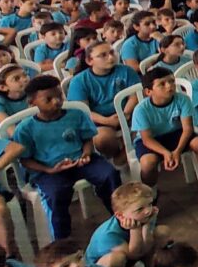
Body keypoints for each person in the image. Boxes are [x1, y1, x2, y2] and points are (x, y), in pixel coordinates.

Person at [15, 76, 122, 240]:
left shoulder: (76, 115)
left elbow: (87, 139)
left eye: (59, 96)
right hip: (48, 169)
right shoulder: (25, 128)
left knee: (109, 175)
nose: (56, 102)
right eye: (48, 99)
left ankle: (121, 220)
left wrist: (86, 154)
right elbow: (25, 160)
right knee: (56, 194)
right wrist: (49, 169)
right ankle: (62, 240)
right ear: (32, 102)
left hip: (81, 160)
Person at [132, 66, 198, 205]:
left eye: (172, 81)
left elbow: (187, 129)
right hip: (153, 140)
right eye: (162, 84)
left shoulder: (182, 99)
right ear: (149, 91)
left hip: (177, 134)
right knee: (148, 163)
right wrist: (167, 153)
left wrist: (177, 151)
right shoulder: (141, 110)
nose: (169, 86)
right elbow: (147, 139)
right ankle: (151, 192)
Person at [85, 181, 169, 267]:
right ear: (120, 215)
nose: (148, 211)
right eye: (139, 209)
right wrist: (135, 230)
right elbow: (134, 254)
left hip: (132, 252)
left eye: (150, 204)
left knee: (162, 232)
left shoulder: (142, 216)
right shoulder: (108, 234)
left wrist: (147, 225)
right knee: (117, 259)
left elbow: (146, 245)